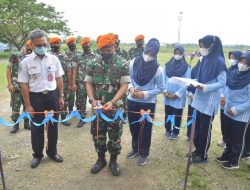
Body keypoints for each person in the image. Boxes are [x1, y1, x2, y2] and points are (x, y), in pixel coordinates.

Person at [18, 29, 64, 168]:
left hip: (52, 96)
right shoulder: (25, 62)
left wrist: (61, 96)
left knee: (53, 125)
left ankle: (52, 152)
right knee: (36, 127)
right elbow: (24, 84)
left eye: (44, 44)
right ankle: (37, 155)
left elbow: (59, 78)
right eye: (38, 45)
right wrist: (28, 105)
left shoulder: (54, 59)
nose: (42, 47)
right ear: (31, 45)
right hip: (35, 97)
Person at [85, 34, 130, 176]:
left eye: (108, 47)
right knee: (98, 135)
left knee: (115, 135)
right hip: (98, 108)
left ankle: (113, 161)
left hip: (115, 108)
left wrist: (112, 102)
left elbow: (124, 86)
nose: (106, 51)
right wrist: (92, 99)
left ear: (114, 46)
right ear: (99, 49)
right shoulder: (92, 63)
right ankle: (101, 159)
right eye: (102, 49)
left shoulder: (123, 63)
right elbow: (88, 83)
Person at [127, 38, 164, 166]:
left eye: (152, 54)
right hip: (132, 100)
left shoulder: (158, 69)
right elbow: (129, 78)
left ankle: (144, 153)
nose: (148, 56)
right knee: (133, 126)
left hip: (147, 103)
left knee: (145, 128)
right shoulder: (134, 62)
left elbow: (161, 88)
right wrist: (131, 88)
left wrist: (144, 93)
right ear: (144, 49)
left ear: (156, 54)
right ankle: (135, 148)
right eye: (147, 52)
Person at [191, 35, 227, 164]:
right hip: (200, 98)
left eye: (204, 46)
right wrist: (192, 82)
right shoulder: (205, 59)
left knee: (205, 128)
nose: (202, 48)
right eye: (201, 45)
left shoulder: (219, 61)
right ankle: (197, 149)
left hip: (209, 100)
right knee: (198, 127)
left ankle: (203, 155)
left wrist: (207, 87)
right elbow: (201, 77)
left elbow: (222, 82)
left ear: (212, 46)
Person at [216, 51, 250, 169]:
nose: (242, 64)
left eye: (245, 62)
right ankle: (226, 155)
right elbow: (228, 88)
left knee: (237, 138)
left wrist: (236, 110)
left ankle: (234, 161)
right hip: (227, 110)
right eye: (241, 61)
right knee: (228, 136)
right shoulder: (234, 73)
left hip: (240, 115)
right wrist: (223, 98)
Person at [163, 45, 191, 140]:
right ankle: (167, 130)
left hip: (178, 96)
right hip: (167, 94)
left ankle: (175, 132)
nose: (177, 55)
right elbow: (163, 79)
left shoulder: (186, 67)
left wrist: (177, 94)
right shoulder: (167, 65)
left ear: (182, 54)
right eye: (176, 53)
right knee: (168, 113)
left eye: (179, 53)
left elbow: (187, 82)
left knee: (177, 114)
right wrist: (165, 91)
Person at [217, 50, 242, 148]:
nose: (232, 60)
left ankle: (229, 141)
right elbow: (223, 84)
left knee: (231, 123)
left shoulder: (241, 73)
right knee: (223, 121)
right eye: (231, 57)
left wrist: (227, 98)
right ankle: (224, 139)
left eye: (234, 58)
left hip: (232, 102)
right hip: (223, 100)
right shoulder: (228, 70)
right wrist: (222, 95)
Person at [50, 36, 71, 126]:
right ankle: (52, 118)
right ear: (51, 45)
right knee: (51, 100)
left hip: (63, 82)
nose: (56, 45)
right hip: (51, 83)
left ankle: (63, 118)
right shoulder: (48, 56)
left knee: (64, 100)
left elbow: (69, 70)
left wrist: (70, 83)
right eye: (54, 43)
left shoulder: (64, 56)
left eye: (58, 43)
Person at [6, 53, 30, 133]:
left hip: (27, 86)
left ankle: (27, 123)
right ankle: (16, 124)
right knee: (15, 106)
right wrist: (10, 84)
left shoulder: (32, 56)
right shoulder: (15, 55)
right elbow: (8, 69)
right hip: (16, 86)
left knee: (27, 105)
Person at [75, 37, 95, 127]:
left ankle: (95, 117)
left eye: (87, 43)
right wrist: (74, 82)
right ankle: (82, 118)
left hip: (93, 84)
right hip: (81, 83)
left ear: (90, 44)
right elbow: (75, 70)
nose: (86, 46)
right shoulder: (78, 57)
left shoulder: (96, 56)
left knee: (94, 101)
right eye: (84, 44)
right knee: (80, 102)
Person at [186, 53, 201, 141]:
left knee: (198, 118)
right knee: (190, 116)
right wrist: (191, 94)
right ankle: (189, 134)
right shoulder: (195, 69)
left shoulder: (208, 71)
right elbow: (189, 83)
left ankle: (195, 136)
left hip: (200, 100)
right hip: (192, 98)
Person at [65, 37, 78, 116]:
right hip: (69, 78)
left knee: (80, 98)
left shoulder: (79, 53)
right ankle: (69, 111)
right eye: (71, 42)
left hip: (78, 78)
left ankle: (78, 111)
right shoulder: (66, 54)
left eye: (74, 42)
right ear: (68, 44)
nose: (73, 44)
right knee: (70, 95)